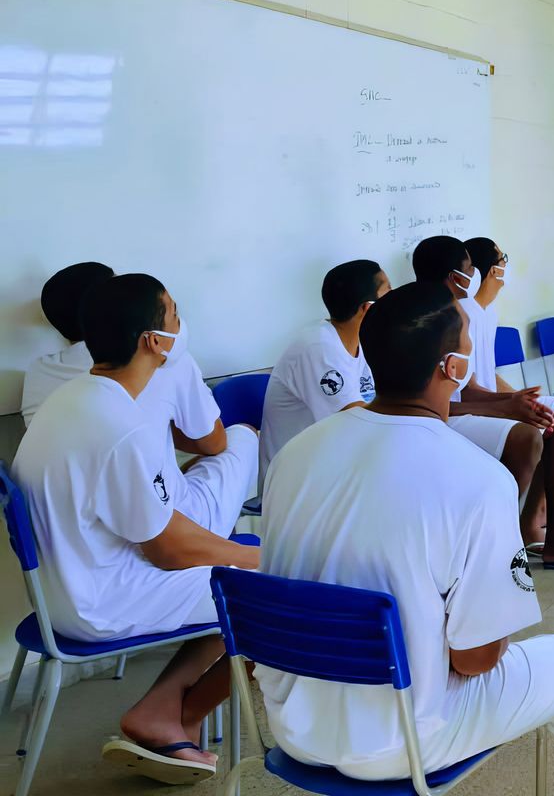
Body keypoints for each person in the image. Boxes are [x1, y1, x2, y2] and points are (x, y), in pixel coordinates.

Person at [257, 281, 554, 789]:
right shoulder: (478, 479)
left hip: (293, 726)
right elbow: (476, 658)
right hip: (410, 738)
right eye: (465, 347)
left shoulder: (296, 455)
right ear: (451, 369)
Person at [13, 274, 260, 785]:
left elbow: (156, 528)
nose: (179, 323)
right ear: (154, 341)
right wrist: (252, 558)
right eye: (174, 314)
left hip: (64, 593)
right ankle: (176, 717)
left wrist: (232, 553)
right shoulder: (119, 425)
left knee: (246, 573)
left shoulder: (76, 397)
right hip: (102, 602)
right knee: (277, 589)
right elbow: (168, 550)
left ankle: (162, 708)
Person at [22, 262, 257, 540]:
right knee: (244, 436)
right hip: (145, 534)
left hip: (77, 528)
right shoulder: (160, 361)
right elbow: (213, 444)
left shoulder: (41, 375)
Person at [410, 235, 554, 571]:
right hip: (437, 420)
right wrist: (505, 407)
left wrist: (513, 399)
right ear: (459, 277)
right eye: (472, 268)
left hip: (460, 410)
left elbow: (468, 389)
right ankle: (496, 538)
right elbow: (434, 407)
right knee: (528, 436)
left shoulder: (460, 314)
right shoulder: (429, 320)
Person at [462, 236, 554, 541]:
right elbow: (466, 386)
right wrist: (511, 402)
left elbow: (487, 372)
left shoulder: (487, 313)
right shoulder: (465, 315)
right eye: (502, 259)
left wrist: (520, 396)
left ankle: (540, 511)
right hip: (480, 407)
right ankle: (530, 523)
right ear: (492, 271)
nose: (506, 265)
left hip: (495, 399)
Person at [260, 259, 388, 466]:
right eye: (389, 294)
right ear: (367, 309)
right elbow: (357, 422)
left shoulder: (361, 340)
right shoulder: (318, 348)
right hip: (300, 479)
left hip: (334, 461)